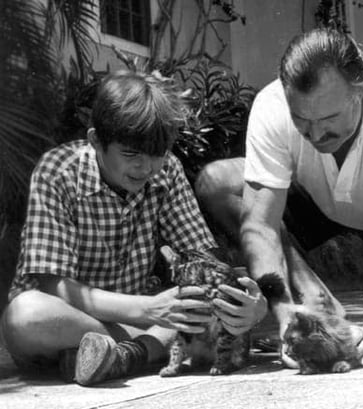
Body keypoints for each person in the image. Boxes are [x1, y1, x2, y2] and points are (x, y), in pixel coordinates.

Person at [195, 28, 363, 366]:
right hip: (318, 199)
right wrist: (284, 309)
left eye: (330, 118)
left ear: (361, 90)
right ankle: (312, 292)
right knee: (219, 183)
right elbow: (260, 225)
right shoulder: (273, 106)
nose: (316, 134)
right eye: (301, 120)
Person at [0, 70, 268, 386]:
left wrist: (251, 305)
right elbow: (54, 287)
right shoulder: (58, 171)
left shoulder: (166, 171)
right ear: (96, 140)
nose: (146, 168)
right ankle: (138, 350)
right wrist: (150, 309)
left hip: (140, 316)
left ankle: (111, 356)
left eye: (158, 155)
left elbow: (204, 261)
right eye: (131, 154)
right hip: (67, 320)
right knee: (24, 314)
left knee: (197, 306)